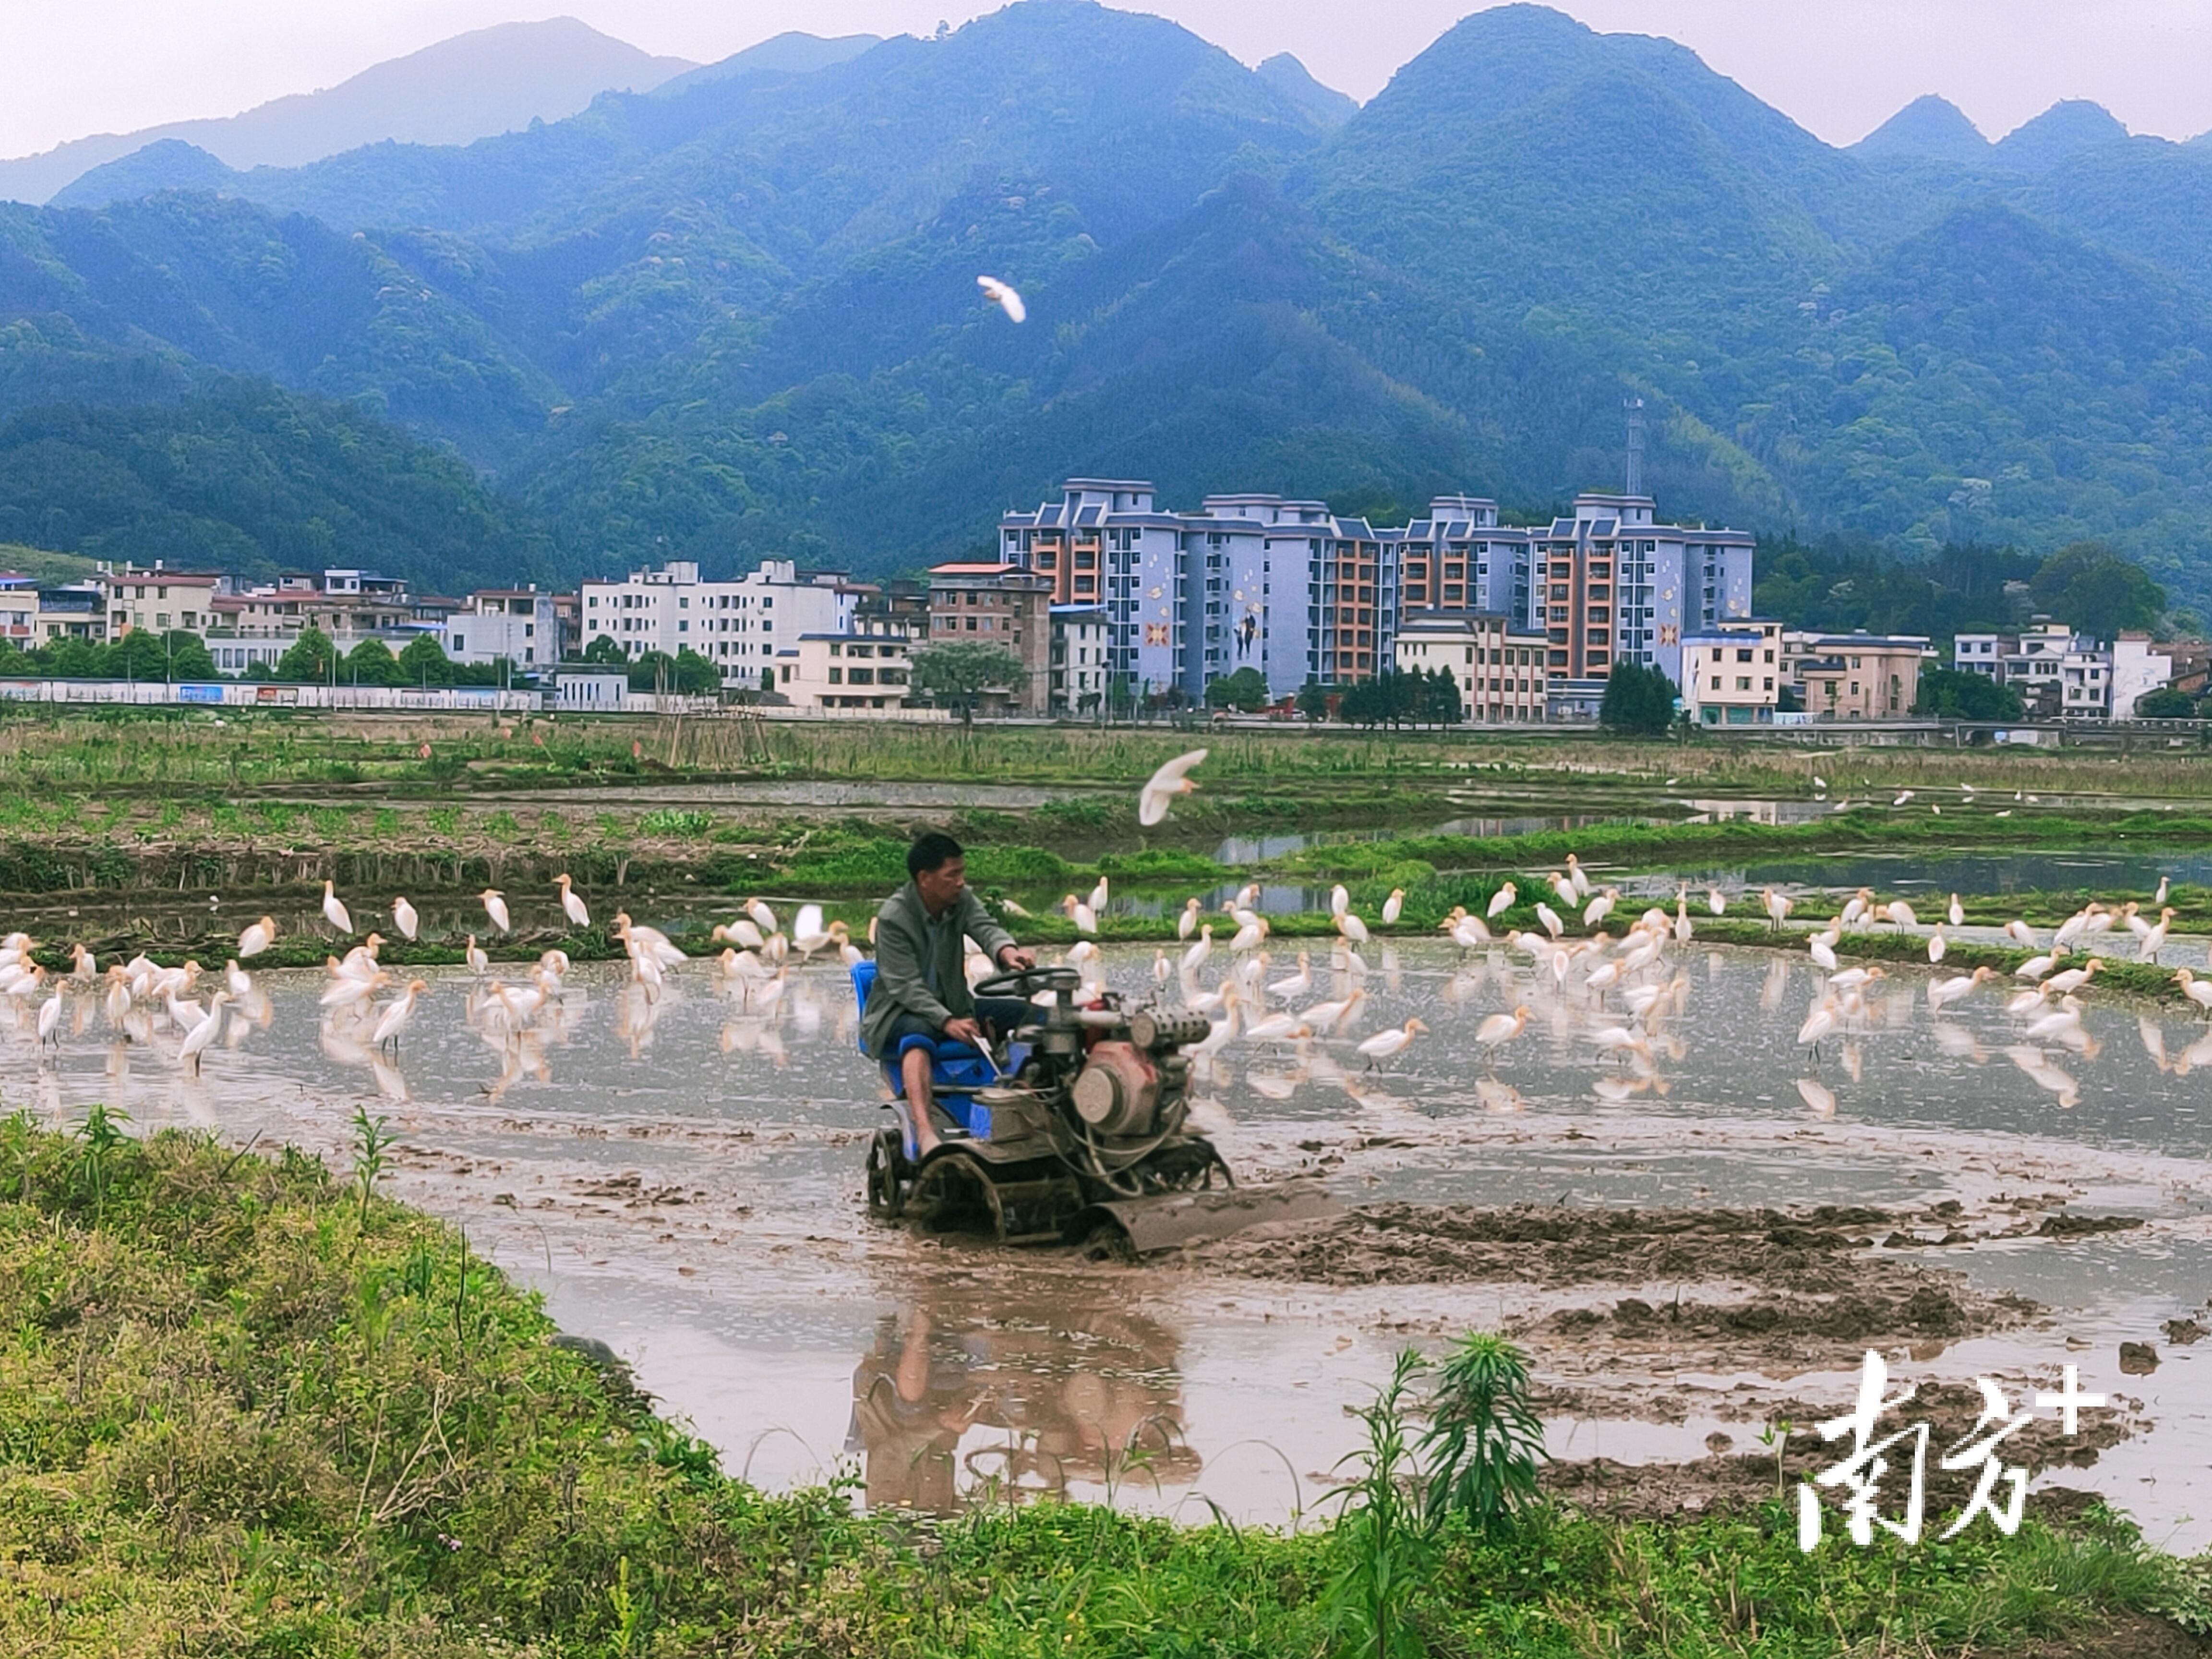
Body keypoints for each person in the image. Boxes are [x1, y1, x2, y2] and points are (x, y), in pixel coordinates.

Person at [862, 831, 1035, 1157]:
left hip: (955, 1005)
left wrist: (1007, 952)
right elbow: (905, 986)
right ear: (925, 879)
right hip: (899, 1012)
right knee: (918, 1032)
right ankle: (925, 1132)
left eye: (962, 873)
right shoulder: (894, 918)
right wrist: (947, 1022)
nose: (960, 882)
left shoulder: (962, 900)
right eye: (952, 875)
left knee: (1032, 1019)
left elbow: (986, 927)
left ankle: (1026, 1106)